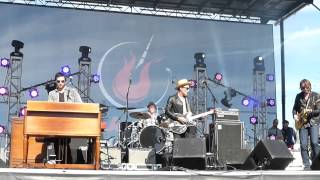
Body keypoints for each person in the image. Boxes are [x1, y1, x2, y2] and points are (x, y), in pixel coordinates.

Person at [47, 72, 82, 164]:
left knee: (66, 143)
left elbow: (80, 105)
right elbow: (49, 107)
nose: (60, 83)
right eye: (58, 81)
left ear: (65, 82)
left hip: (69, 122)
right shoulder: (52, 94)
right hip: (56, 122)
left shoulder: (72, 91)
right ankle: (59, 163)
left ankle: (68, 163)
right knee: (56, 142)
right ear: (55, 82)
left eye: (62, 81)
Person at [292, 79, 320, 169]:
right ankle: (306, 165)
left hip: (313, 122)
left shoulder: (316, 95)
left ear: (310, 86)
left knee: (314, 143)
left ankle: (317, 163)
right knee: (303, 144)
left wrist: (309, 112)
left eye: (307, 87)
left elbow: (318, 110)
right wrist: (294, 115)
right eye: (303, 88)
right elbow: (294, 109)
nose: (305, 89)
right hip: (302, 124)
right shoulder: (298, 96)